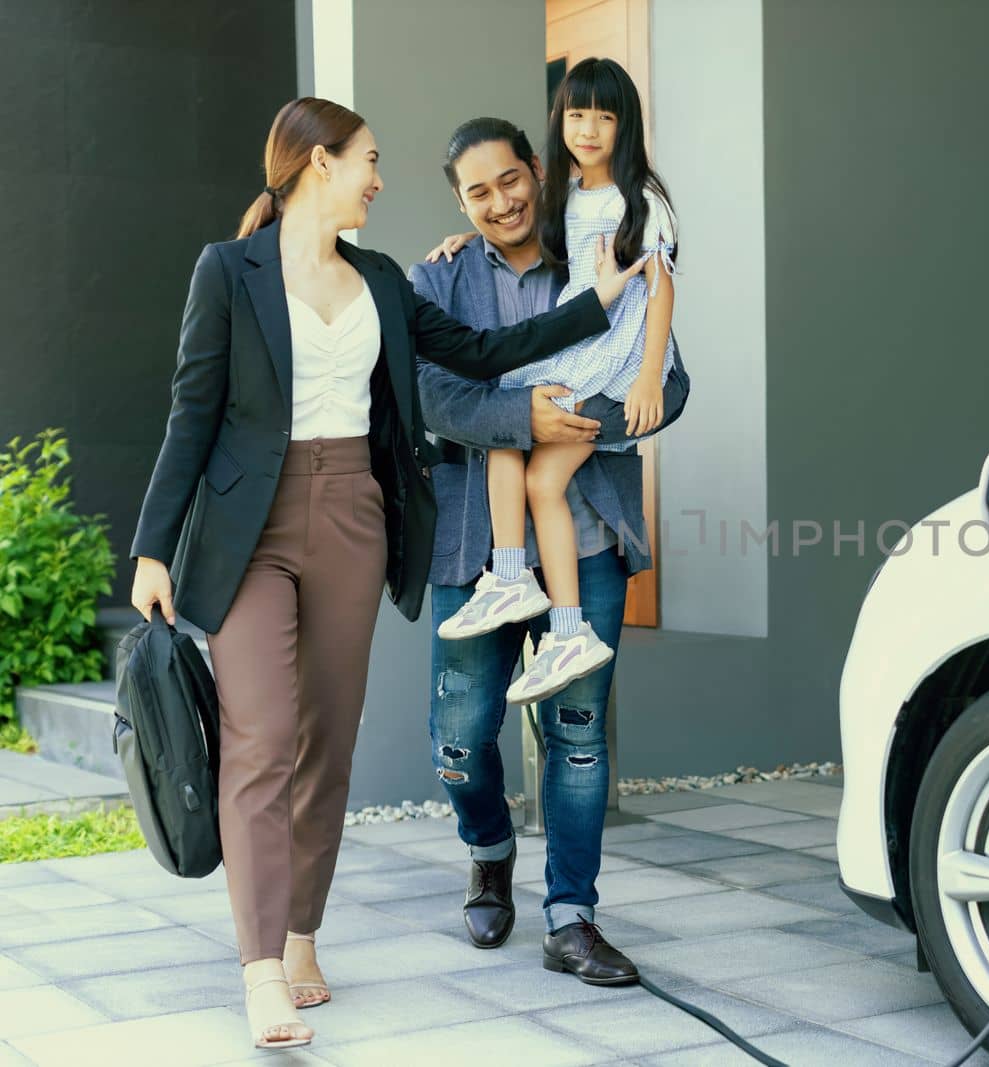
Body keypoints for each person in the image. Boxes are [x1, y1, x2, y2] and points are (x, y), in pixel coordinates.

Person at [127, 96, 642, 1051]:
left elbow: (486, 354)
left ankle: (301, 933)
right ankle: (259, 971)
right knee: (260, 739)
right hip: (249, 527)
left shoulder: (381, 280)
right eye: (367, 158)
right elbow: (190, 411)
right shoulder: (229, 271)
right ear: (319, 163)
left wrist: (599, 303)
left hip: (353, 518)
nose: (376, 175)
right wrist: (154, 546)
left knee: (325, 743)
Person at [410, 110, 688, 976]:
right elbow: (429, 397)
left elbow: (668, 382)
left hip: (588, 533)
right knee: (459, 738)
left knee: (577, 736)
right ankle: (489, 850)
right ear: (460, 201)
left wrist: (576, 423)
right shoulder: (439, 278)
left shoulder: (597, 241)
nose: (500, 202)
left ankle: (572, 915)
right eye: (478, 192)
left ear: (538, 168)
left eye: (510, 180)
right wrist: (517, 417)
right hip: (472, 547)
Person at [433, 58, 678, 709]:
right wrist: (470, 233)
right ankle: (527, 589)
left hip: (607, 361)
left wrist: (650, 374)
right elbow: (524, 227)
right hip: (578, 349)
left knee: (529, 452)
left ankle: (543, 607)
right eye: (577, 115)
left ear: (625, 124)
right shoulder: (568, 195)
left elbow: (661, 293)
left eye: (605, 115)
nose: (590, 129)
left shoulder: (643, 201)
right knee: (510, 425)